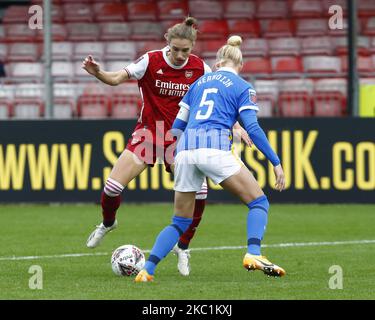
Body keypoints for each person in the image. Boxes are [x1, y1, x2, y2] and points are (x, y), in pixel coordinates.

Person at [82, 17, 251, 276]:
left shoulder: (200, 68)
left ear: (192, 46)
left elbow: (219, 99)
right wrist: (99, 73)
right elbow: (117, 78)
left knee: (201, 194)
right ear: (167, 43)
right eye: (176, 49)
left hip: (182, 138)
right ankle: (107, 223)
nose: (181, 55)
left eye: (186, 50)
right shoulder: (150, 60)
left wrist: (236, 126)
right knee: (112, 187)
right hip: (149, 134)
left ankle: (183, 247)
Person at [135, 35, 286, 283]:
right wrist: (275, 162)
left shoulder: (197, 84)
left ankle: (147, 270)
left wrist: (173, 155)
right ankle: (254, 253)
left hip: (184, 151)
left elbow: (177, 126)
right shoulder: (242, 86)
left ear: (217, 64)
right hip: (214, 148)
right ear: (240, 65)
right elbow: (253, 128)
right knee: (259, 203)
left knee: (179, 221)